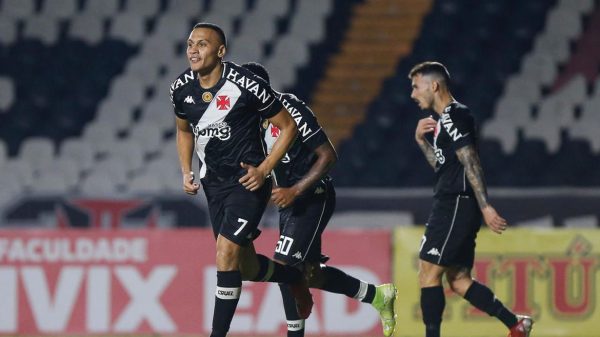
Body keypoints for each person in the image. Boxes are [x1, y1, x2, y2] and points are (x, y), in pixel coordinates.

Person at [170, 23, 312, 337]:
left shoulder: (246, 85)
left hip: (248, 183)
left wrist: (264, 170)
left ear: (220, 52)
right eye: (190, 43)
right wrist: (186, 170)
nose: (193, 50)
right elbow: (183, 130)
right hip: (213, 185)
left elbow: (288, 127)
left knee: (224, 252)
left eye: (202, 44)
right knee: (245, 268)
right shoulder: (180, 87)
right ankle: (292, 276)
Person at [240, 62, 397, 337]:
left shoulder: (290, 109)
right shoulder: (249, 123)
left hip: (313, 196)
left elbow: (328, 156)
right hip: (289, 204)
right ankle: (376, 296)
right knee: (310, 274)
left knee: (285, 266)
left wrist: (295, 190)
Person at [408, 61, 533, 337]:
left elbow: (471, 161)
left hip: (455, 202)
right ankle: (516, 324)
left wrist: (486, 206)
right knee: (459, 280)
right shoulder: (444, 121)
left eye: (416, 87)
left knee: (428, 272)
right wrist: (421, 142)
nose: (413, 94)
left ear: (434, 85)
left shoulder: (456, 116)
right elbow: (445, 167)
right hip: (455, 201)